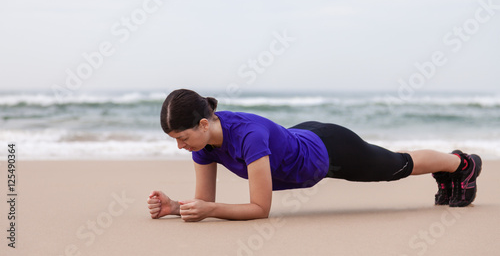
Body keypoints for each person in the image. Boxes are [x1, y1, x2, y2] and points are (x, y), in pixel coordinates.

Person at [147, 89, 482, 222]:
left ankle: (461, 164)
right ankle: (453, 167)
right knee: (395, 164)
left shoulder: (248, 138)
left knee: (397, 166)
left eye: (182, 137)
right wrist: (176, 207)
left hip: (330, 149)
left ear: (204, 124)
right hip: (300, 138)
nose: (180, 146)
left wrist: (210, 211)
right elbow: (204, 201)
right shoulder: (204, 145)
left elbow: (259, 209)